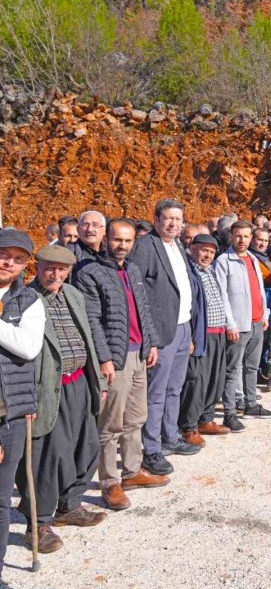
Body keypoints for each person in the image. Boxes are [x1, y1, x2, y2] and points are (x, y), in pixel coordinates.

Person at [17, 245, 106, 553]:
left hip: (79, 382)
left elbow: (89, 338)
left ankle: (69, 506)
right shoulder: (25, 300)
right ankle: (38, 524)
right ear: (37, 268)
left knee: (86, 447)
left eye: (62, 270)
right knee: (46, 457)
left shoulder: (74, 295)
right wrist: (22, 399)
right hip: (46, 389)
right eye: (49, 268)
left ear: (69, 271)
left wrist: (100, 380)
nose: (55, 275)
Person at [72, 219, 165, 511]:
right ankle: (110, 483)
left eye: (127, 241)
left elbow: (143, 309)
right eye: (116, 240)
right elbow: (92, 320)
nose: (122, 245)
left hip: (139, 354)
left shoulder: (133, 270)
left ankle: (133, 471)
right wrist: (104, 358)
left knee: (136, 417)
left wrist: (150, 342)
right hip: (116, 357)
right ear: (105, 239)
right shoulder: (89, 272)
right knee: (110, 423)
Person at [128, 199, 198, 475]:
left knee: (174, 388)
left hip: (181, 327)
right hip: (161, 332)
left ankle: (171, 437)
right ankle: (152, 450)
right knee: (156, 392)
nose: (173, 223)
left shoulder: (178, 245)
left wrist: (189, 332)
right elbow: (138, 293)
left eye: (178, 219)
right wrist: (150, 338)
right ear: (156, 219)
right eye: (168, 218)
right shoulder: (145, 247)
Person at [0, 230, 45, 578]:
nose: (8, 262)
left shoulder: (28, 300)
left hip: (8, 413)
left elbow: (29, 348)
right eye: (3, 254)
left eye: (17, 258)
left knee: (0, 497)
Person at [213, 220, 271, 428]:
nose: (242, 240)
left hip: (257, 321)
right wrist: (230, 324)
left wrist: (265, 314)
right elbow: (221, 295)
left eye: (246, 236)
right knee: (233, 369)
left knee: (252, 367)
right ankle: (230, 412)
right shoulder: (223, 261)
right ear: (231, 236)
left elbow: (259, 289)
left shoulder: (253, 259)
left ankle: (250, 403)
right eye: (238, 236)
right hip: (238, 325)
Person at [187, 234, 232, 437]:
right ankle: (189, 425)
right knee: (198, 381)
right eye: (204, 250)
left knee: (216, 379)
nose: (208, 255)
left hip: (218, 332)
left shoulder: (211, 271)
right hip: (201, 334)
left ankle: (207, 418)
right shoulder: (190, 272)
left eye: (212, 252)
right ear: (193, 248)